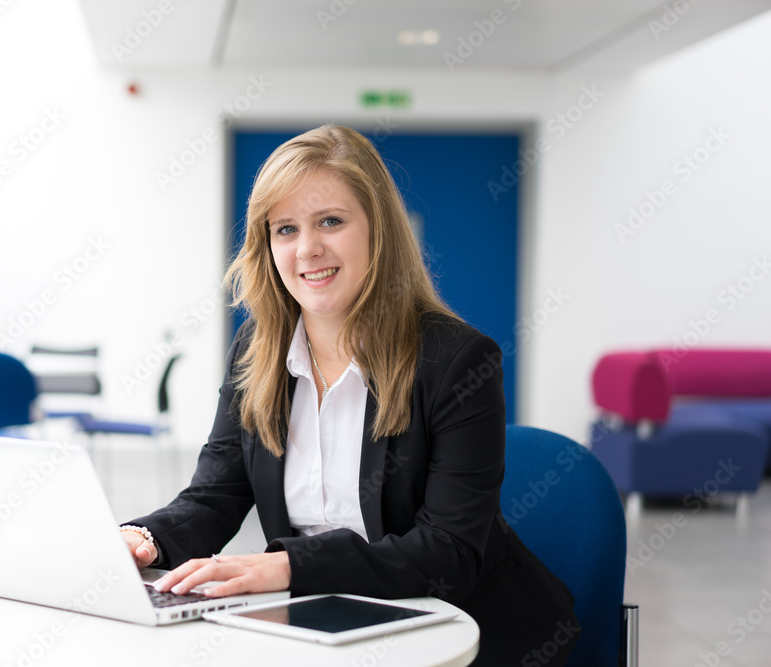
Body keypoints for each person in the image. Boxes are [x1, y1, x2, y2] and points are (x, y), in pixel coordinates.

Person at [121, 124, 579, 665]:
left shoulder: (456, 359)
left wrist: (288, 567)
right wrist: (143, 538)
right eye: (285, 229)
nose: (308, 249)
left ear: (377, 231)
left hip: (463, 631)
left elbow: (449, 552)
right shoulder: (257, 348)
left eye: (331, 222)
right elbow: (215, 494)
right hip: (323, 623)